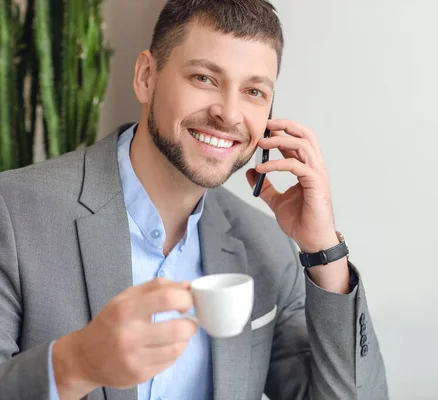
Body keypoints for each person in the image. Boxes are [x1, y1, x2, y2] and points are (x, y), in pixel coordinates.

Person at [0, 0, 388, 399]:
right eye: (204, 78)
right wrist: (75, 364)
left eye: (254, 91)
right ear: (147, 77)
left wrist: (324, 252)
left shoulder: (267, 248)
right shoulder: (12, 211)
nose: (229, 114)